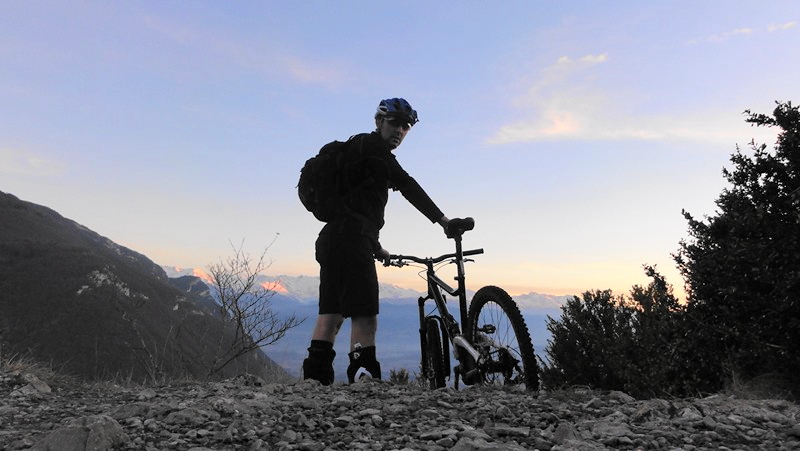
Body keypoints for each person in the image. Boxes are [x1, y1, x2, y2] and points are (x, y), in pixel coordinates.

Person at [302, 97, 452, 384]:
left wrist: (375, 246)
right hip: (351, 240)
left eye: (406, 127)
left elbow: (355, 209)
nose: (400, 131)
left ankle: (314, 381)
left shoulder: (357, 150)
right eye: (395, 122)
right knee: (365, 314)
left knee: (330, 313)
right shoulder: (374, 150)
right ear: (379, 121)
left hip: (333, 239)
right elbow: (407, 185)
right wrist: (443, 221)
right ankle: (364, 376)